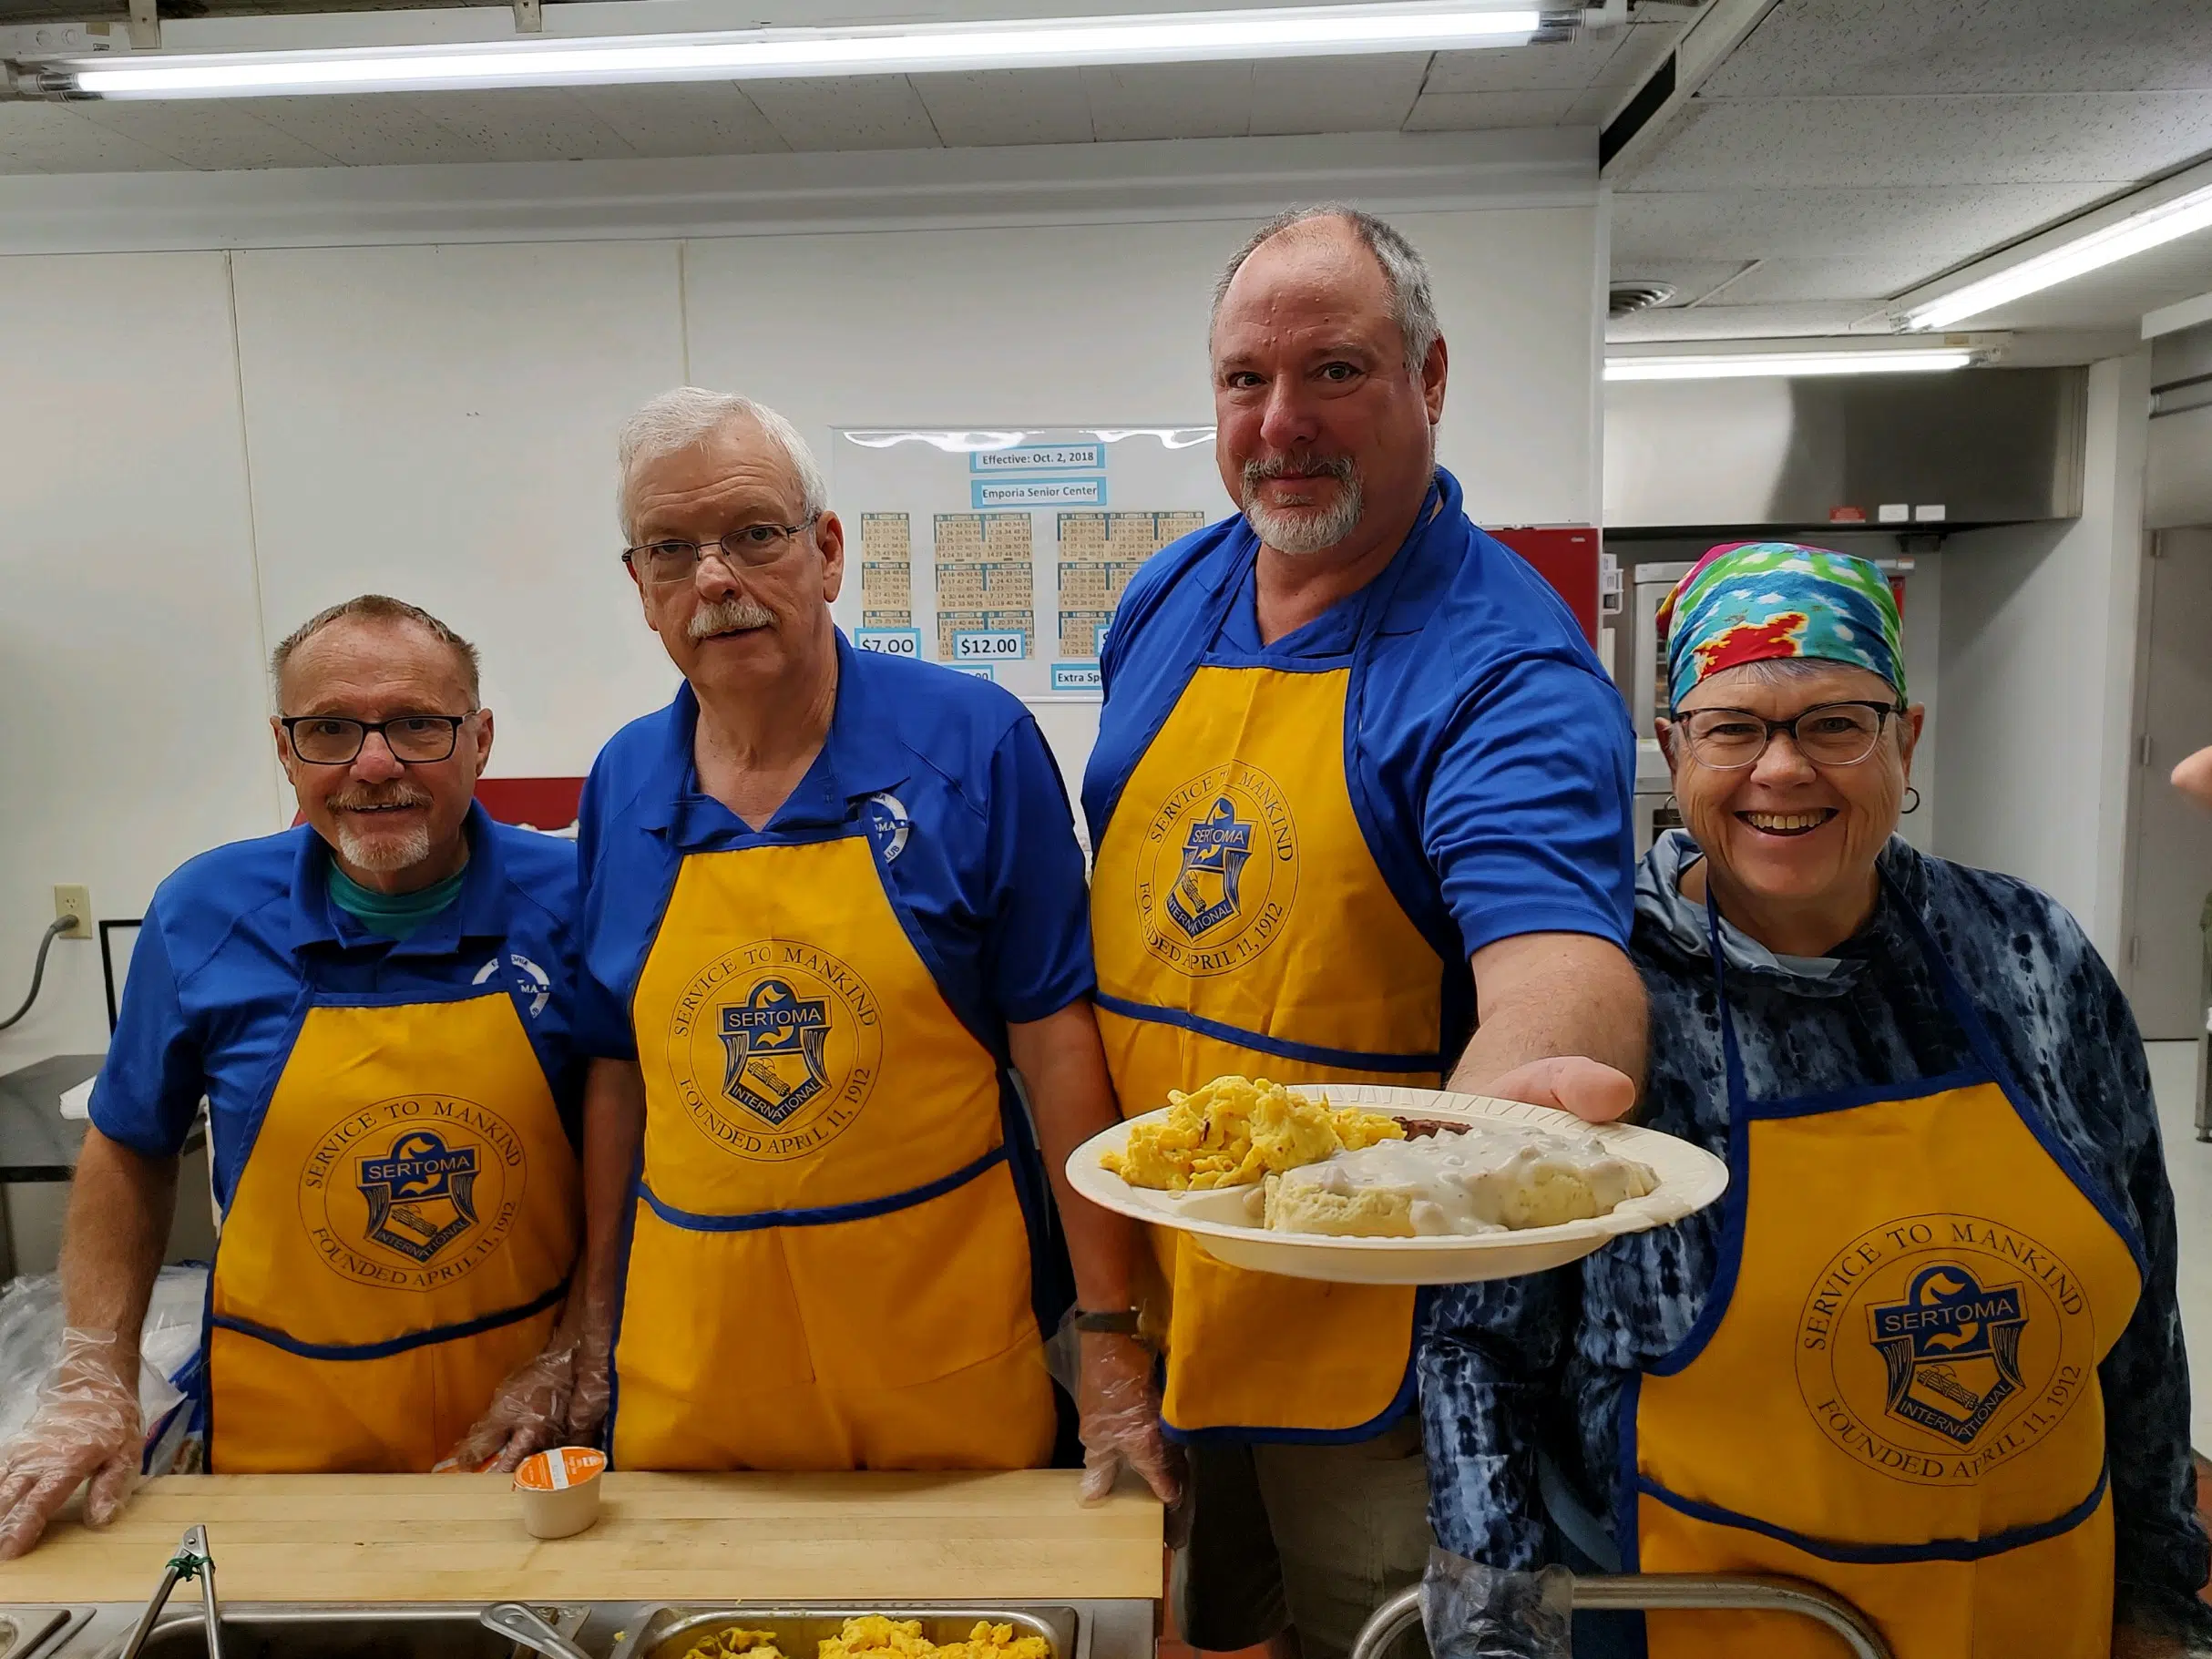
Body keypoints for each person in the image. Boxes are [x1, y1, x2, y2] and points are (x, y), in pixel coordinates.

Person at [1423, 543, 2212, 1659]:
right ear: (1671, 751)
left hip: (2038, 1601)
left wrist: (2160, 1596)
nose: (1781, 770)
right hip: (1703, 1616)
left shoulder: (2030, 957)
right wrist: (1490, 1620)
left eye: (1835, 723)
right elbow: (1478, 1347)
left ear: (1907, 740)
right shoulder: (1602, 998)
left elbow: (2144, 1325)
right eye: (1734, 727)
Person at [1081, 206, 1644, 1659]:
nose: (1281, 424)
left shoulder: (1502, 666)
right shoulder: (1170, 595)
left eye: (1334, 371)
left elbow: (1557, 959)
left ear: (1431, 377)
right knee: (1193, 1620)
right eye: (1242, 382)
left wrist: (1534, 1080)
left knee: (1367, 1632)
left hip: (1370, 1342)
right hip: (1164, 1278)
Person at [465, 388, 1175, 1500]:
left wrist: (1110, 1337)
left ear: (827, 551)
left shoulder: (970, 744)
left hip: (940, 1360)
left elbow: (1057, 1048)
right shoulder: (623, 784)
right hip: (696, 1374)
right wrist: (588, 1331)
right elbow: (620, 1076)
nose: (715, 579)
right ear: (640, 589)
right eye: (672, 550)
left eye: (754, 534)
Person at [0, 596, 584, 1555]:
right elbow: (130, 1144)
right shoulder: (204, 911)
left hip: (525, 1421)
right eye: (330, 730)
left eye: (416, 725)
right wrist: (93, 1376)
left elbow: (631, 1144)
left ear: (479, 739)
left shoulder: (572, 899)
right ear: (285, 749)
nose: (375, 763)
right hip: (289, 1437)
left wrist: (575, 1356)